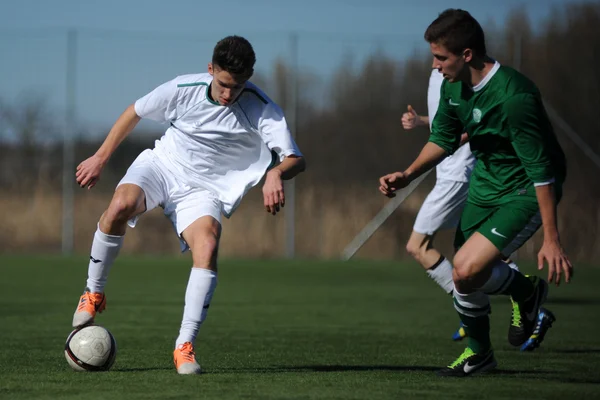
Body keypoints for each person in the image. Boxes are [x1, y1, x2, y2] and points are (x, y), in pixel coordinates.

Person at [71, 35, 306, 375]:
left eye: (237, 86)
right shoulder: (185, 88)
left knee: (208, 244)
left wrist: (276, 173)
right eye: (223, 84)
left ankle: (184, 346)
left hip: (204, 190)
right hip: (163, 166)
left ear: (249, 78)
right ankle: (93, 293)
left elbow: (296, 159)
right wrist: (100, 157)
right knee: (121, 204)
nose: (229, 94)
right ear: (211, 69)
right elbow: (134, 111)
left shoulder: (262, 108)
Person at [379, 9, 572, 377]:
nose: (435, 67)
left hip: (524, 190)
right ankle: (487, 346)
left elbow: (541, 172)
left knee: (466, 267)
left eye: (441, 58)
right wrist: (407, 174)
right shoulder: (454, 87)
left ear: (467, 55)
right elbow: (443, 138)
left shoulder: (515, 96)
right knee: (464, 277)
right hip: (485, 183)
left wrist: (552, 238)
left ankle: (516, 305)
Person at [401, 70, 523, 344]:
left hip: (457, 174)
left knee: (417, 245)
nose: (436, 60)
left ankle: (475, 311)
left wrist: (446, 144)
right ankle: (523, 298)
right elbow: (449, 120)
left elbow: (473, 121)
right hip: (455, 173)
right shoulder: (440, 73)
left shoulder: (456, 73)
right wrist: (421, 120)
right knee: (476, 249)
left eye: (440, 53)